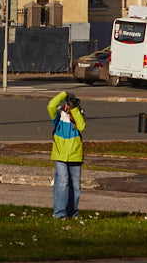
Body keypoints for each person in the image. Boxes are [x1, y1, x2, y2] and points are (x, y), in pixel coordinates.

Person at [48, 90, 85, 219]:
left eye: (69, 105)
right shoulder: (58, 119)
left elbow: (81, 126)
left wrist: (74, 110)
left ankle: (72, 212)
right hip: (60, 156)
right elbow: (51, 106)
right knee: (63, 182)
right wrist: (64, 94)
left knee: (75, 187)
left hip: (75, 156)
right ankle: (60, 213)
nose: (67, 108)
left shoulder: (78, 117)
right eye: (66, 105)